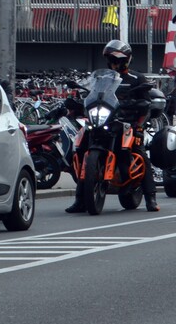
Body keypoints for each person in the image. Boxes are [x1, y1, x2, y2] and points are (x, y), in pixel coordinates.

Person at [66, 39, 162, 213]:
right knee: (80, 147)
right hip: (103, 121)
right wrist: (78, 102)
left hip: (127, 123)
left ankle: (151, 197)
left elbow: (146, 104)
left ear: (127, 59)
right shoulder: (101, 79)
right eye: (111, 59)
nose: (114, 63)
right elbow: (91, 95)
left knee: (139, 153)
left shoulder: (137, 79)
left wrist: (138, 123)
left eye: (118, 59)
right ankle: (80, 199)